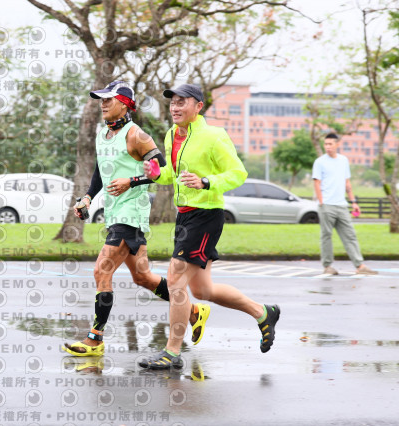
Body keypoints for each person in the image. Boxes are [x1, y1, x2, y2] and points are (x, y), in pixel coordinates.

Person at [62, 80, 209, 357]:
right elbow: (101, 170)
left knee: (101, 271)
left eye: (109, 99)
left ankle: (95, 339)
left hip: (131, 213)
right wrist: (88, 197)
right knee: (143, 277)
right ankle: (193, 311)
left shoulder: (136, 135)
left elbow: (162, 170)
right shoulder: (102, 134)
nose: (103, 104)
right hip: (114, 212)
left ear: (125, 104)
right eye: (101, 100)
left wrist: (131, 181)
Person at [139, 83, 280, 370]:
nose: (175, 107)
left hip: (206, 216)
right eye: (172, 102)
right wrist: (156, 174)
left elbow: (238, 173)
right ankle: (263, 313)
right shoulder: (171, 135)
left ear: (198, 106)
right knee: (203, 291)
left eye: (182, 102)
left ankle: (172, 351)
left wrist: (206, 182)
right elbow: (173, 175)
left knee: (175, 281)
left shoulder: (214, 136)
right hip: (184, 216)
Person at [312, 133, 378, 275]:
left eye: (330, 144)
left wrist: (353, 202)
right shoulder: (319, 162)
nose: (328, 147)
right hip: (327, 205)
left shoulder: (343, 160)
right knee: (326, 236)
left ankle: (360, 266)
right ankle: (327, 266)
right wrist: (322, 202)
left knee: (350, 235)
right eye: (326, 144)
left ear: (337, 144)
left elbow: (347, 183)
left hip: (341, 205)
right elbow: (317, 183)